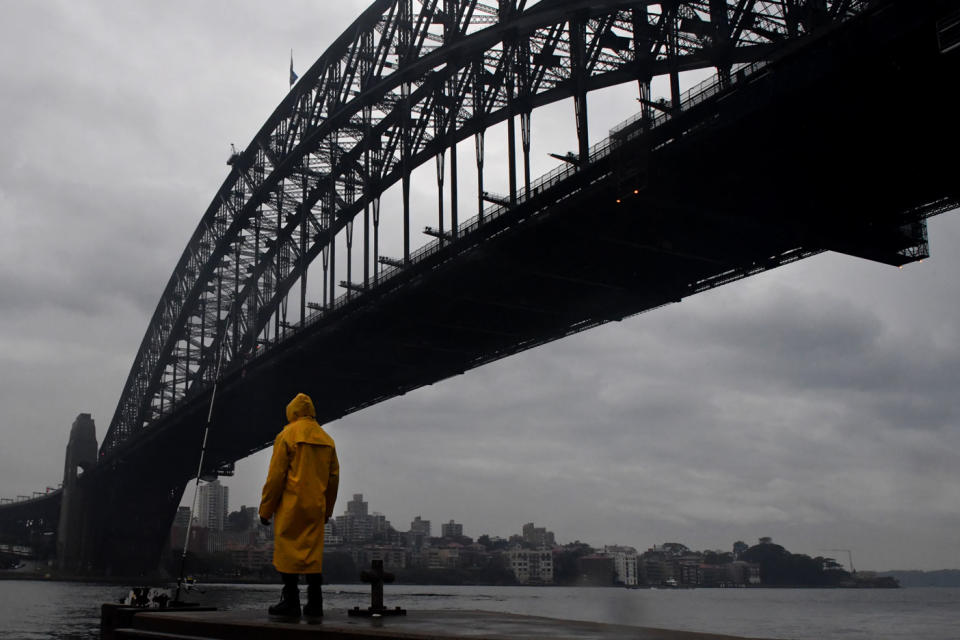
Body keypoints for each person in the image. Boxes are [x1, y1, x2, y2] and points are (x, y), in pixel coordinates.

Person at [259, 392, 339, 618]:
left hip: (291, 505)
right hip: (316, 506)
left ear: (292, 412)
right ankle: (315, 604)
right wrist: (327, 510)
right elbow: (333, 480)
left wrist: (265, 509)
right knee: (313, 555)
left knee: (288, 552)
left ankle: (291, 602)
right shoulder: (327, 440)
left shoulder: (286, 435)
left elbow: (276, 477)